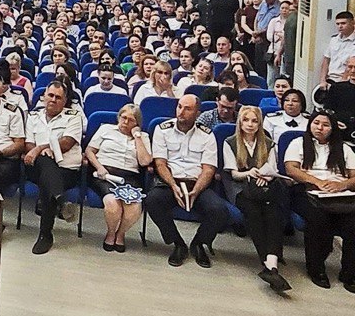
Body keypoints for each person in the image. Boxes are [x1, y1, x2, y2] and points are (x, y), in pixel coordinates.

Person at [146, 94, 225, 268]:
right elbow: (160, 163)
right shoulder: (162, 129)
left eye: (187, 109)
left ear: (197, 113)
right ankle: (178, 243)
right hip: (170, 183)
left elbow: (209, 169)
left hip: (197, 184)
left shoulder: (207, 134)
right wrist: (173, 185)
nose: (181, 112)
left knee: (219, 210)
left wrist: (196, 191)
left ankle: (199, 243)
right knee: (152, 200)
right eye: (179, 107)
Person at [282, 111, 355, 290]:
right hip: (306, 190)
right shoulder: (298, 143)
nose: (320, 128)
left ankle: (350, 273)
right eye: (316, 123)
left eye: (325, 125)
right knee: (318, 218)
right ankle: (316, 269)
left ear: (333, 128)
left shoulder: (344, 148)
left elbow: (354, 175)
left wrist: (342, 185)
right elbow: (291, 169)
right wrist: (317, 182)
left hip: (338, 192)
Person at [221, 106, 290, 293]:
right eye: (246, 120)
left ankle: (271, 266)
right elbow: (233, 173)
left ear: (260, 124)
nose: (250, 124)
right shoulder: (230, 142)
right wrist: (249, 173)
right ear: (240, 122)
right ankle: (269, 264)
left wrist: (265, 177)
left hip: (265, 187)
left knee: (274, 214)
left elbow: (272, 170)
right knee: (253, 214)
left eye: (254, 121)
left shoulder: (268, 143)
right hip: (241, 187)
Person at [25, 80, 84, 255]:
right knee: (45, 163)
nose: (53, 99)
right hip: (36, 167)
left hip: (67, 170)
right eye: (50, 95)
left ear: (64, 101)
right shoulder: (33, 116)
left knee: (47, 181)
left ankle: (46, 235)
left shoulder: (74, 117)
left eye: (58, 97)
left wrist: (39, 148)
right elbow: (28, 144)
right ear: (43, 97)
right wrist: (39, 151)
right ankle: (61, 202)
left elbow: (67, 143)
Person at [84, 103, 152, 252]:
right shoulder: (106, 129)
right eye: (123, 117)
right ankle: (110, 233)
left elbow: (145, 161)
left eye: (131, 120)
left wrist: (137, 136)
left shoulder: (143, 137)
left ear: (137, 123)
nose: (125, 122)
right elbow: (89, 151)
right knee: (112, 204)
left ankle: (120, 234)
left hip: (130, 177)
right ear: (118, 117)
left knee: (134, 208)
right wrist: (99, 167)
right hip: (104, 174)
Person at [318, 10, 355, 91]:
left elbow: (351, 66)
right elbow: (326, 60)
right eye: (338, 24)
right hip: (330, 80)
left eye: (343, 23)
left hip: (346, 82)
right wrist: (322, 80)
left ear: (352, 23)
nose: (340, 26)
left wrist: (342, 84)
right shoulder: (334, 40)